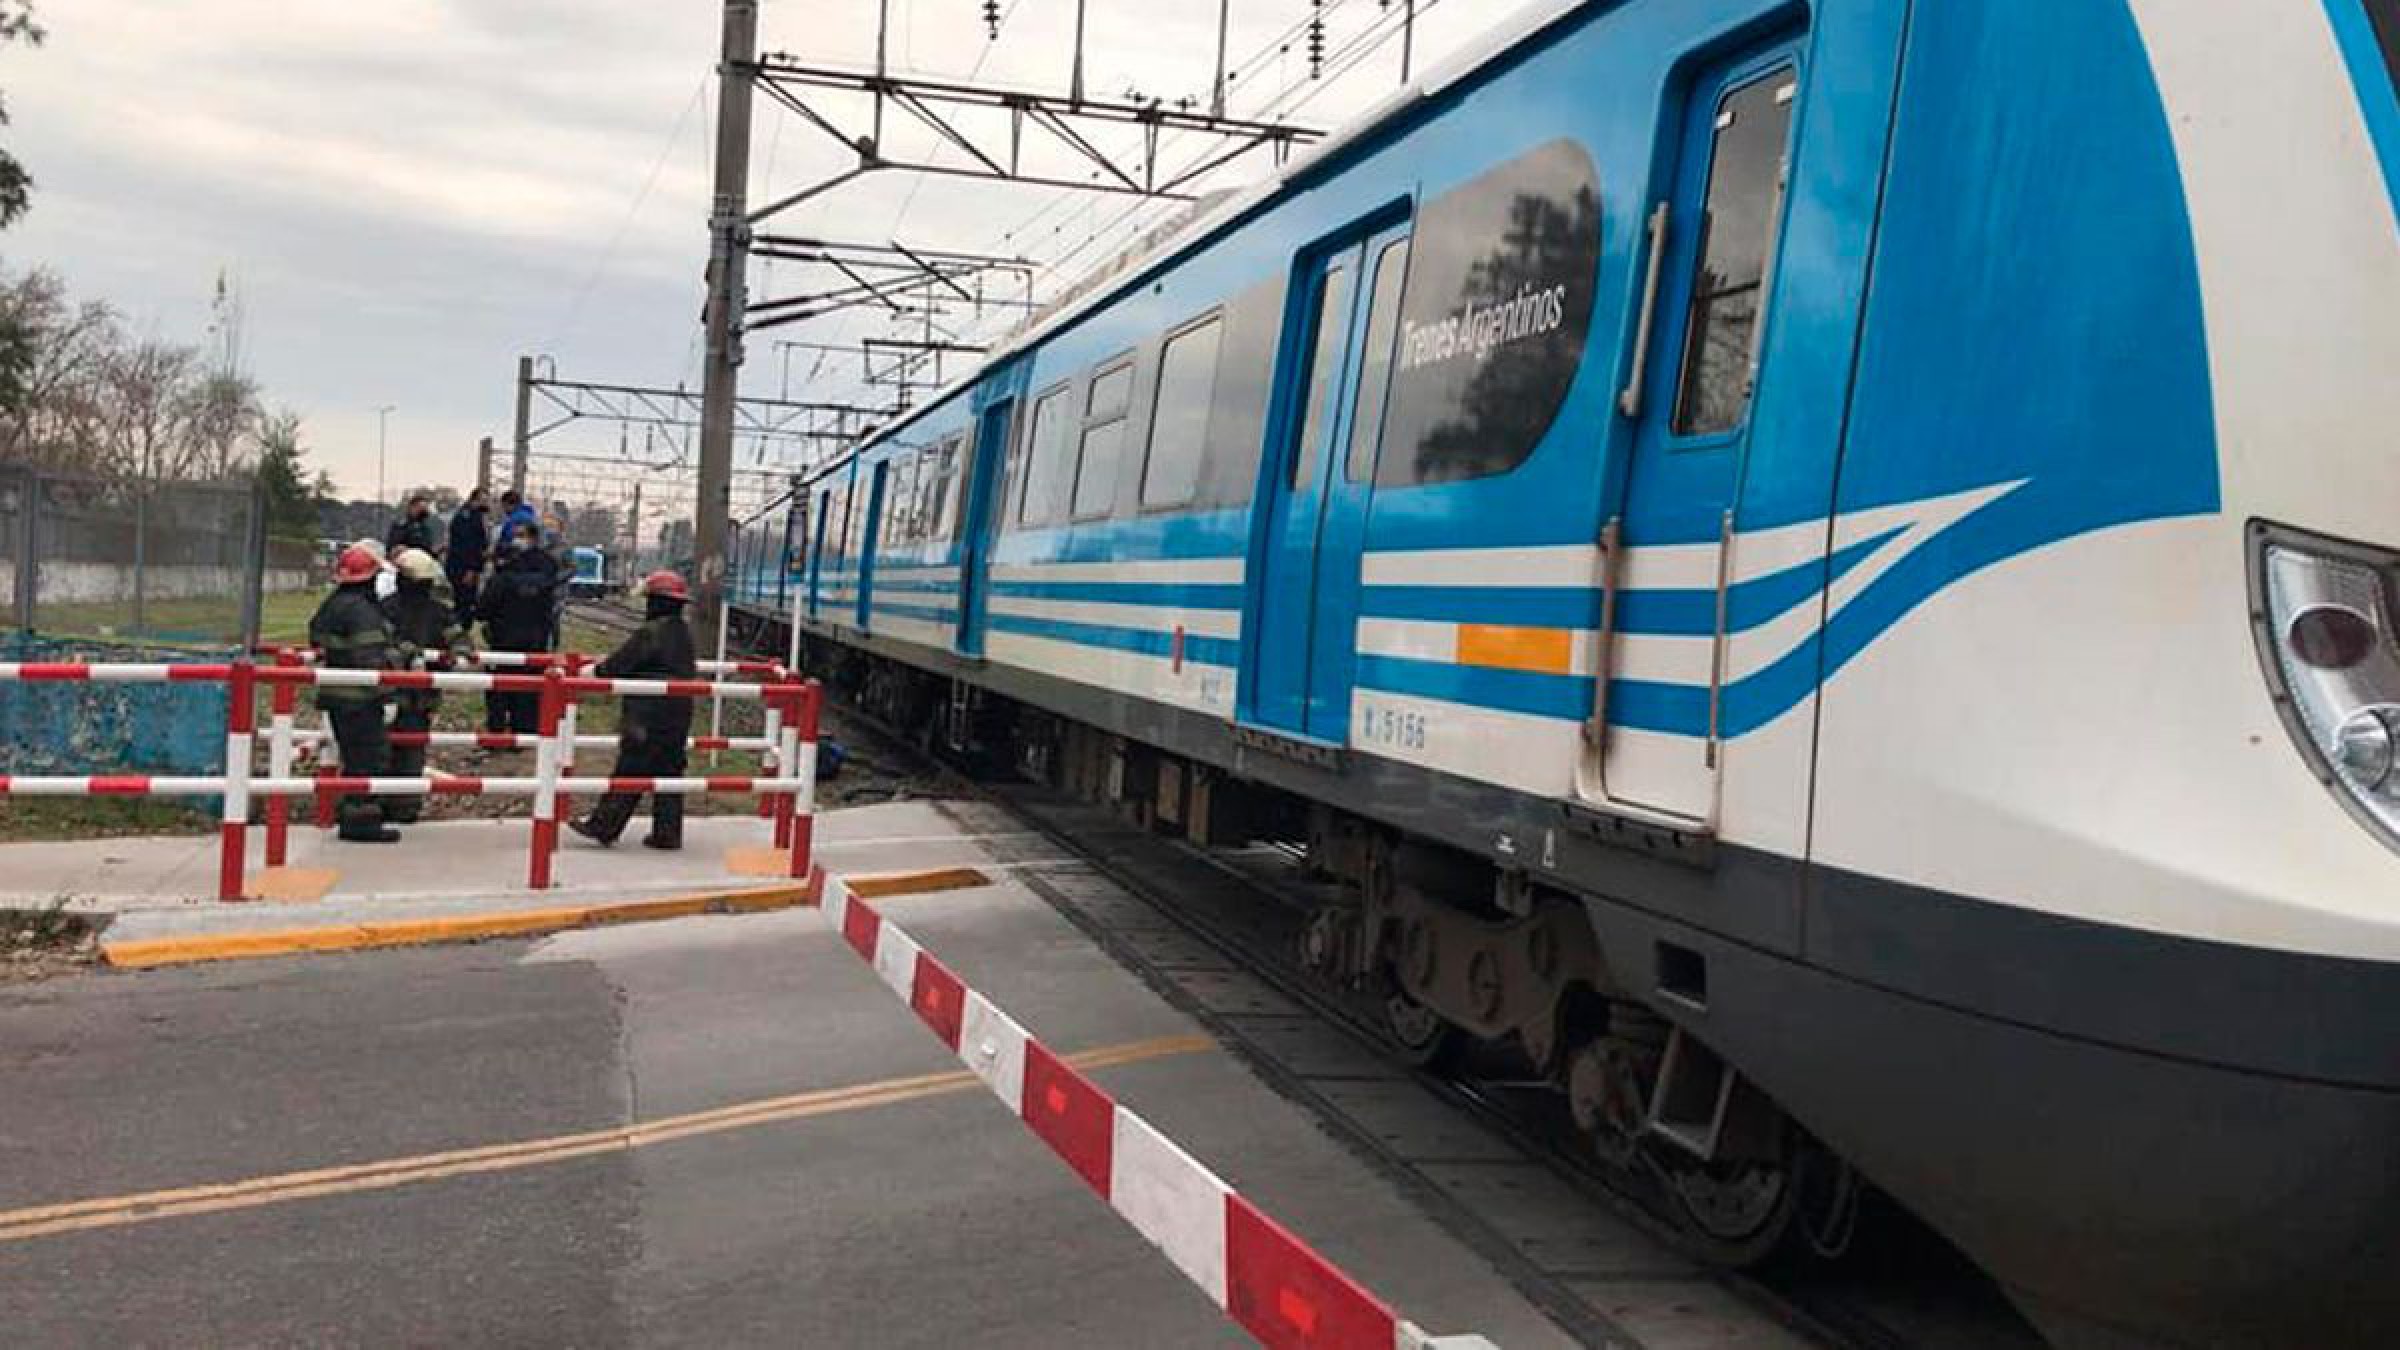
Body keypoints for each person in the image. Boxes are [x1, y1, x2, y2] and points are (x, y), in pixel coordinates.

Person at [569, 571, 697, 851]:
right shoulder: (683, 632)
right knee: (669, 769)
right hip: (679, 710)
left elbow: (617, 666)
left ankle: (604, 826)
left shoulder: (650, 632)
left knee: (632, 766)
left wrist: (592, 671)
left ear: (655, 601)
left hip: (647, 711)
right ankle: (667, 832)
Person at [309, 544, 401, 843]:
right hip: (361, 699)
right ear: (369, 579)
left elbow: (318, 637)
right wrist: (388, 694)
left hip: (336, 696)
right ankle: (362, 824)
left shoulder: (331, 605)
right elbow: (370, 660)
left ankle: (351, 815)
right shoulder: (362, 611)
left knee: (352, 757)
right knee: (368, 759)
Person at [382, 548, 461, 823]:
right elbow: (460, 644)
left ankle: (379, 801)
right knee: (412, 749)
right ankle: (405, 805)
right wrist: (452, 660)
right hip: (422, 696)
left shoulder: (385, 607)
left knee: (381, 747)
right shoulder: (440, 612)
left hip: (385, 693)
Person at [475, 521, 560, 733]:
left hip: (503, 638)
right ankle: (525, 731)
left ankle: (496, 731)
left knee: (499, 687)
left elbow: (483, 608)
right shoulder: (547, 569)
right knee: (529, 688)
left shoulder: (504, 575)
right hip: (536, 638)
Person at [445, 486, 491, 624]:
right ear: (475, 500)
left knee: (468, 601)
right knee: (463, 601)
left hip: (468, 566)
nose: (487, 504)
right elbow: (468, 546)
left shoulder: (476, 516)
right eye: (484, 500)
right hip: (462, 567)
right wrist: (471, 568)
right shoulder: (467, 517)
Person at [494, 490, 538, 558]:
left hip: (518, 555)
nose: (504, 509)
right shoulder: (527, 514)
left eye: (504, 506)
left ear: (511, 504)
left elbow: (511, 535)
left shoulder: (518, 517)